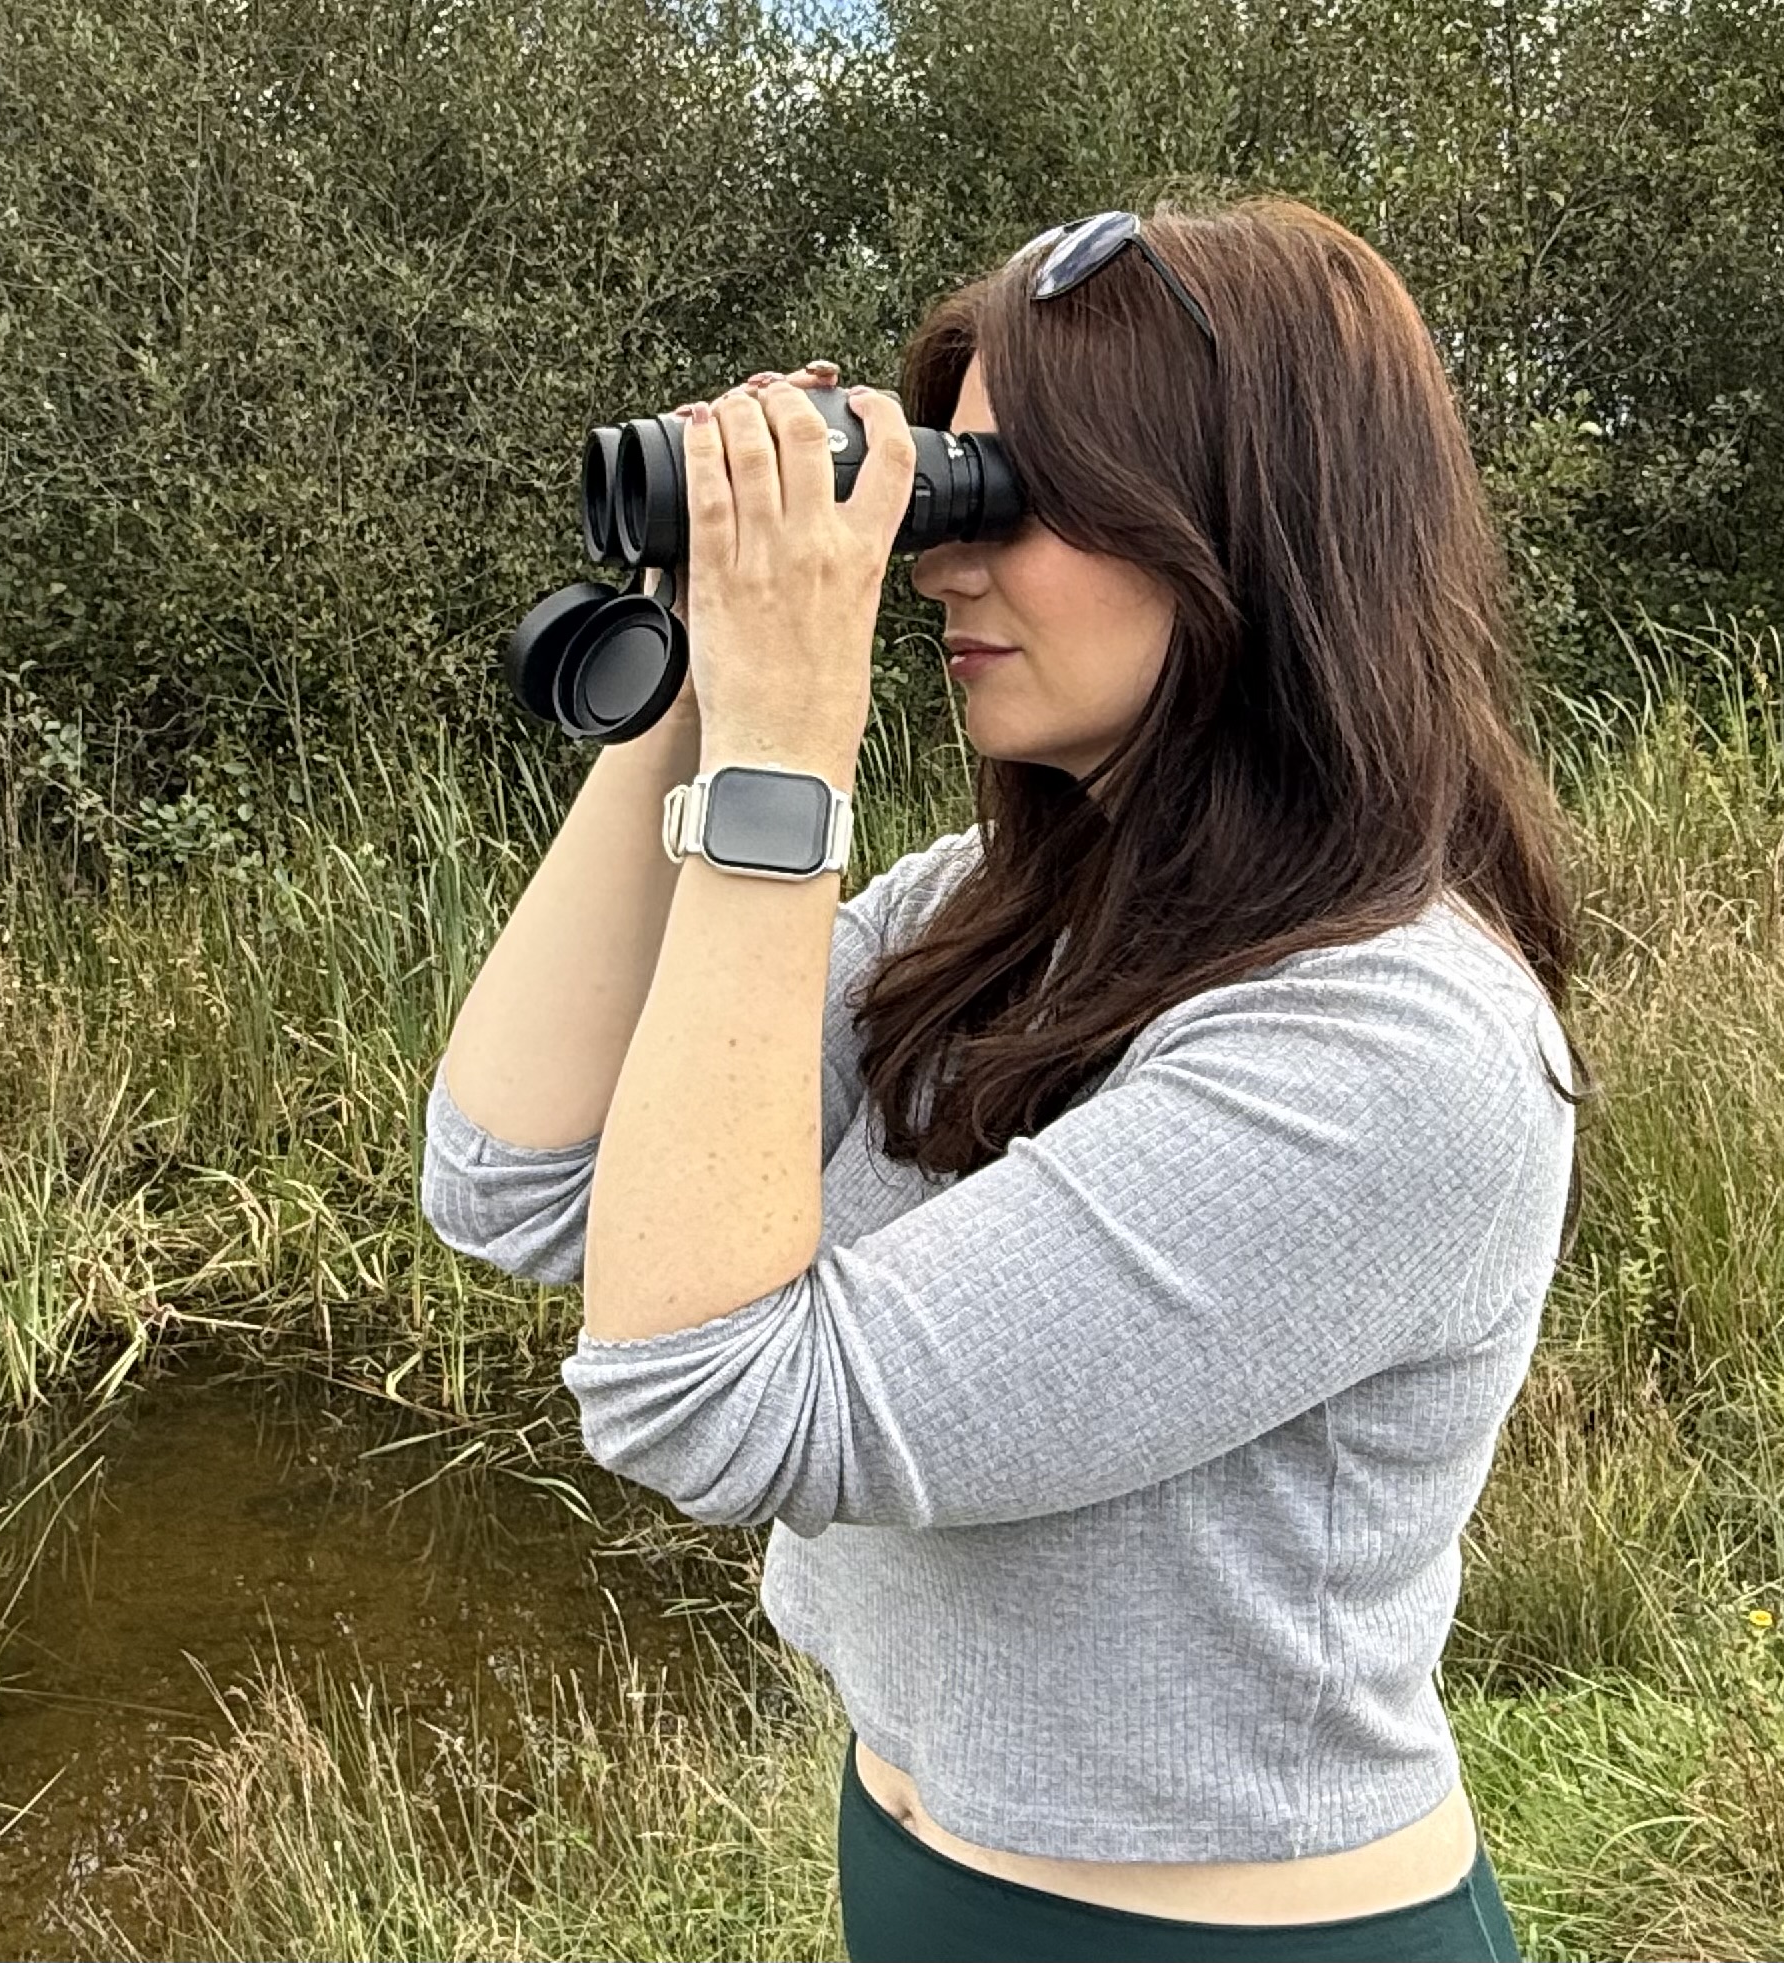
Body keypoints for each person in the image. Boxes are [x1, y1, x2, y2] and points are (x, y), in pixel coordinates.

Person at [419, 195, 1583, 1963]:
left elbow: (704, 1400)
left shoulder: (1393, 1044)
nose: (941, 566)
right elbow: (516, 1183)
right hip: (920, 1866)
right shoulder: (982, 916)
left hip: (1225, 1941)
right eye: (947, 497)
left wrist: (787, 756)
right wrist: (693, 678)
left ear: (1239, 529)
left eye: (1015, 497)